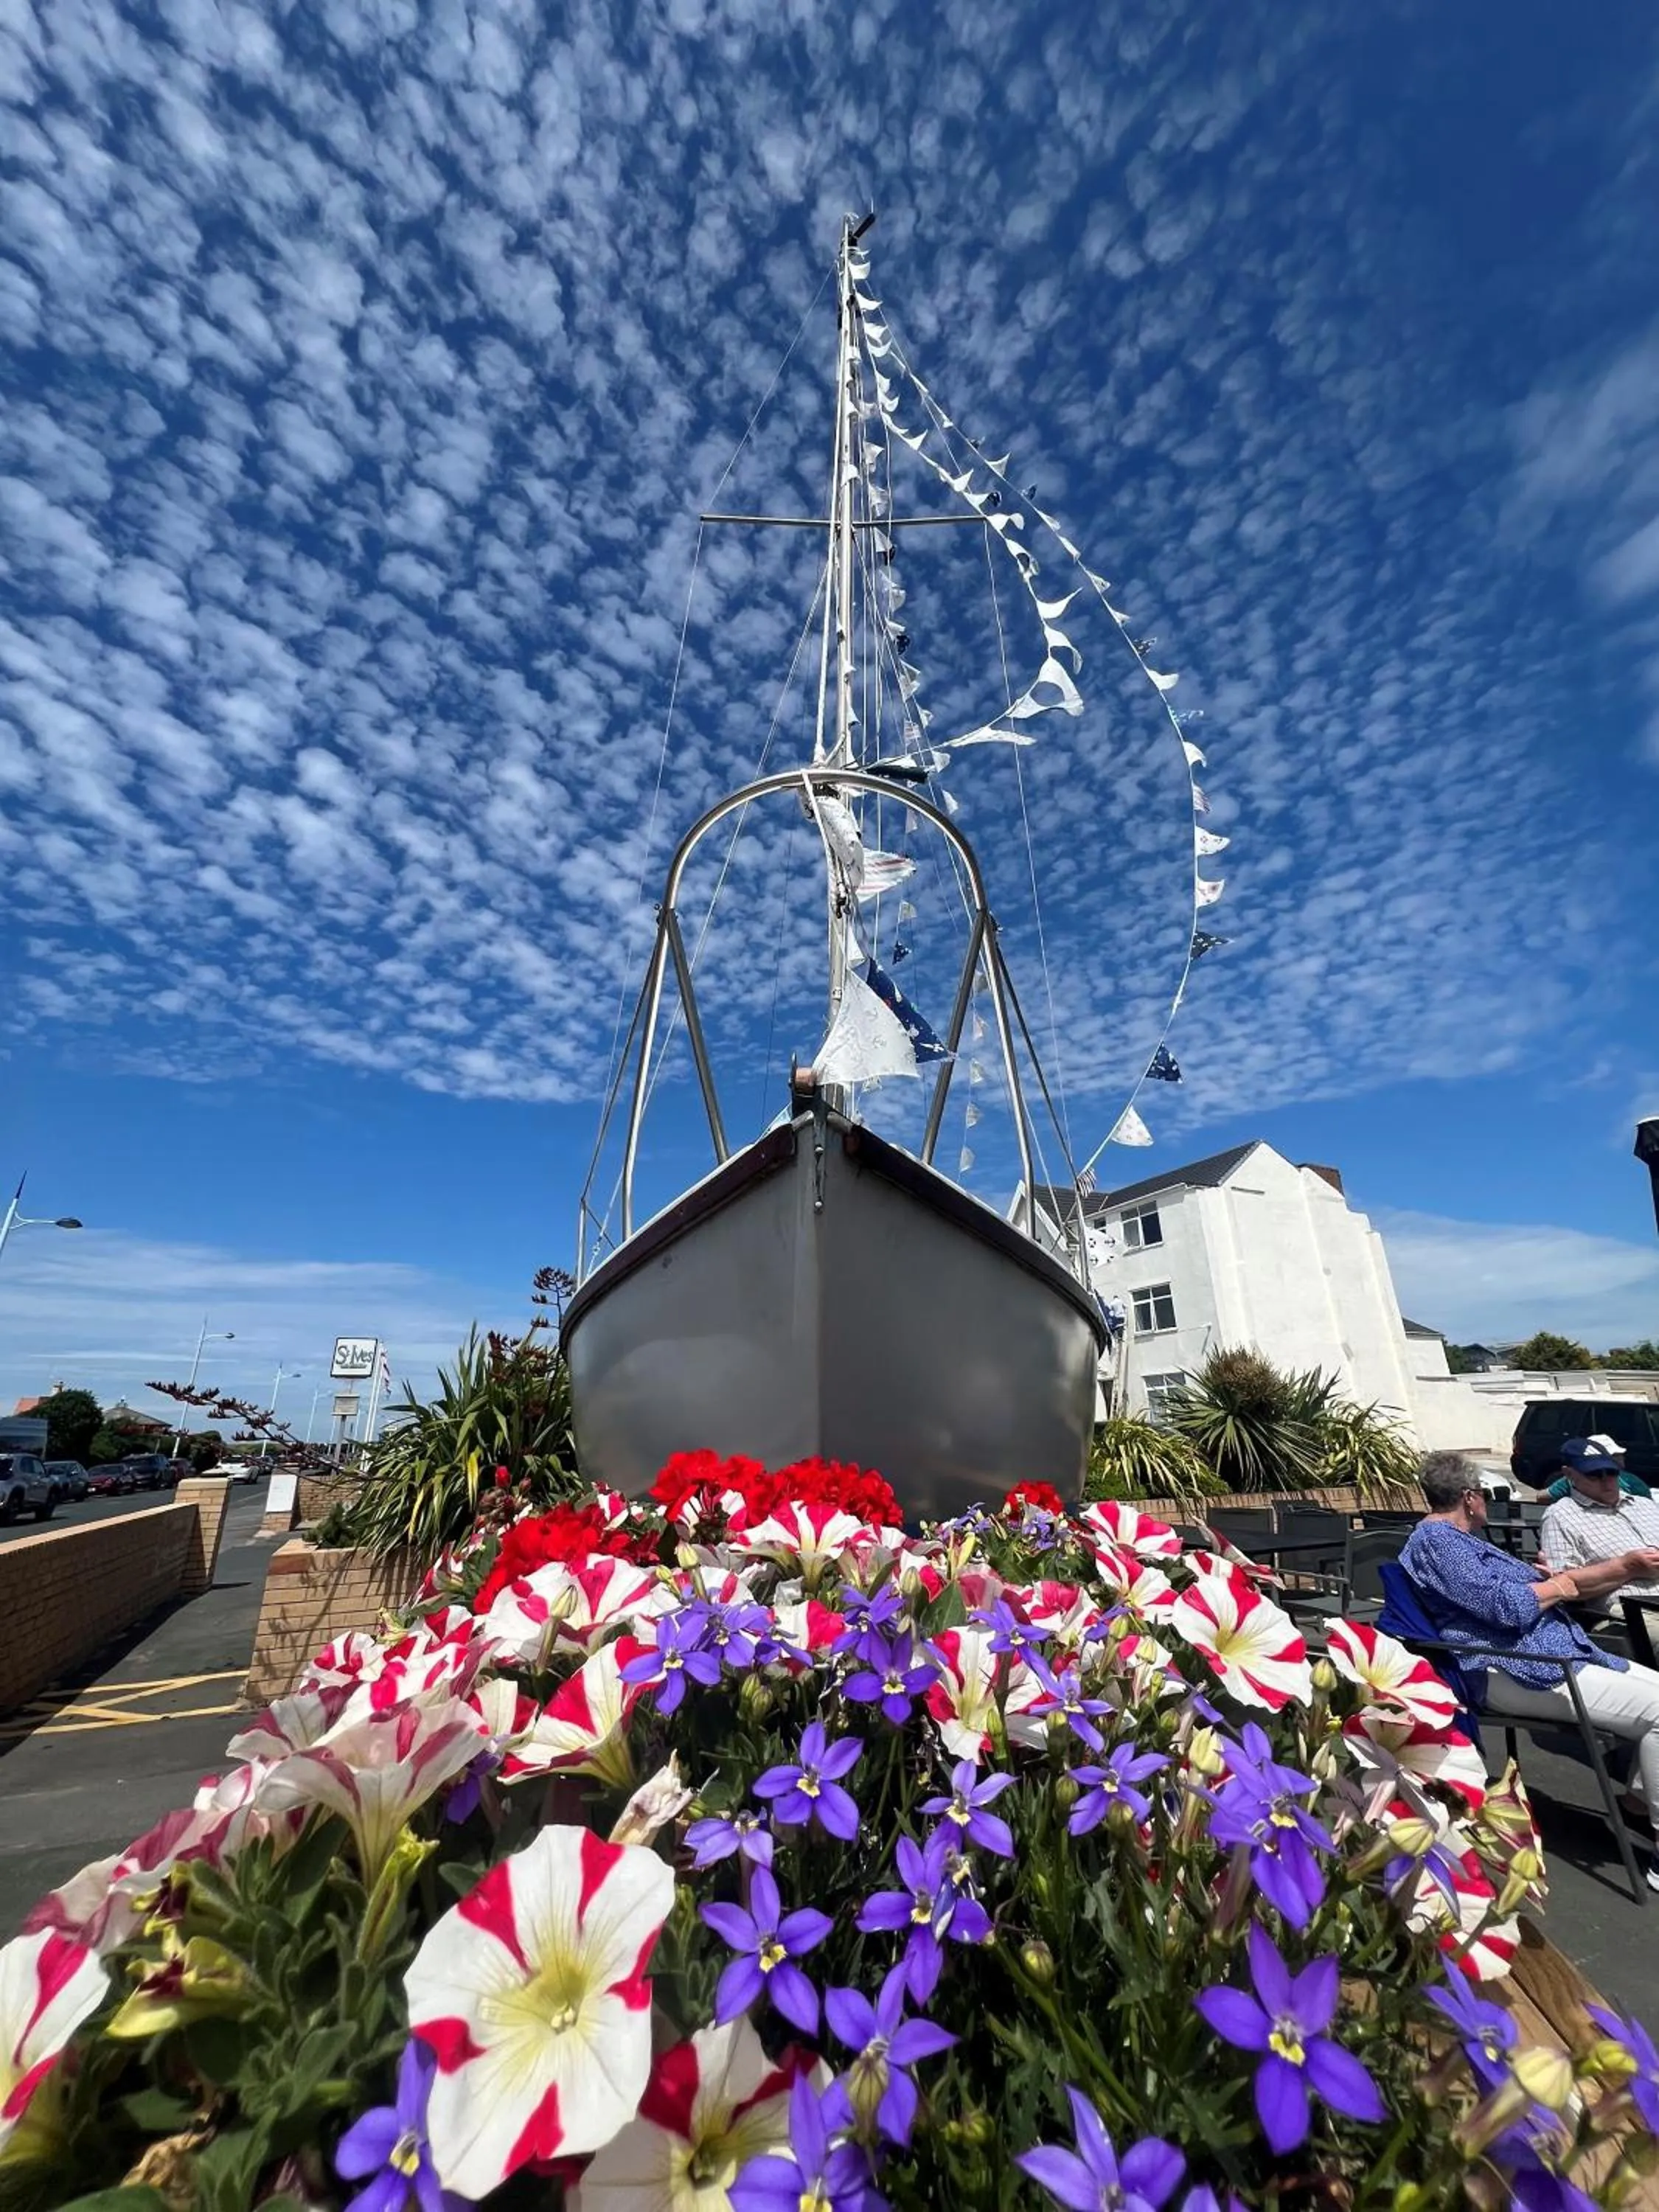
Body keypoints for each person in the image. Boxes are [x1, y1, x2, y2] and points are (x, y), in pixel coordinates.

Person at [1400, 1451, 1659, 1886]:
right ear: (1469, 1498)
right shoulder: (1439, 1542)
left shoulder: (1460, 1541)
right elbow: (1503, 1608)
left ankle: (1636, 1803)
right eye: (1485, 1494)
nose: (1487, 1501)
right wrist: (1557, 1585)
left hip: (1552, 1653)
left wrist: (1549, 1582)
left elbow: (1525, 1587)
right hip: (1516, 1667)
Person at [1541, 1439, 1659, 1617]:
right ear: (1569, 1474)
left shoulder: (1645, 1505)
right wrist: (1627, 1567)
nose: (1606, 1481)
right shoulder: (1561, 1515)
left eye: (1611, 1473)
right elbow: (1563, 1587)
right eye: (1594, 1474)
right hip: (1633, 1612)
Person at [1543, 1433, 1652, 1504]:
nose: (1620, 1458)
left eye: (1611, 1473)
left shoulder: (1633, 1482)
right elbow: (1544, 1497)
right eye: (1594, 1475)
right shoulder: (1568, 1484)